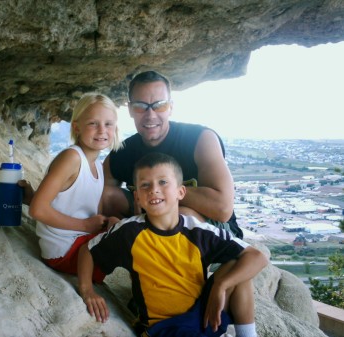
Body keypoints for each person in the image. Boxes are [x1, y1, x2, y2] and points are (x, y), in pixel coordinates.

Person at [78, 152, 268, 337]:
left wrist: (220, 285)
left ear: (181, 191)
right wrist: (87, 291)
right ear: (137, 197)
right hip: (163, 328)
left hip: (204, 316)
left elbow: (257, 257)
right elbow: (88, 250)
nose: (154, 189)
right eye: (145, 185)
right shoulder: (129, 232)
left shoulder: (199, 231)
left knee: (238, 265)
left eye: (163, 182)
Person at [102, 70, 243, 238]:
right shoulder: (122, 151)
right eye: (140, 107)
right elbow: (101, 196)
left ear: (170, 107)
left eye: (159, 105)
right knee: (107, 195)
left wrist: (159, 194)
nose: (150, 115)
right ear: (131, 109)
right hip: (149, 221)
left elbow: (222, 209)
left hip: (209, 228)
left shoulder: (199, 139)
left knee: (181, 216)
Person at [28, 92, 122, 283]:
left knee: (129, 228)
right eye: (93, 123)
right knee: (134, 241)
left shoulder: (97, 164)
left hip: (80, 243)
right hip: (65, 251)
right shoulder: (71, 158)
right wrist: (86, 225)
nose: (102, 130)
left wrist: (106, 222)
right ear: (76, 127)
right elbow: (37, 209)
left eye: (108, 124)